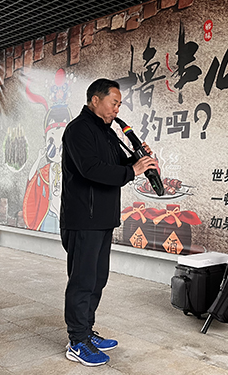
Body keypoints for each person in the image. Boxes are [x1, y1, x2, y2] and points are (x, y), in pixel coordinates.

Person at [60, 78, 157, 366]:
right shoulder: (78, 130)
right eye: (113, 102)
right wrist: (132, 170)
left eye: (119, 104)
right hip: (83, 219)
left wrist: (139, 161)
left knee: (97, 279)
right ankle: (77, 341)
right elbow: (90, 169)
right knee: (82, 281)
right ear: (95, 100)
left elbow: (118, 167)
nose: (117, 109)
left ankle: (87, 332)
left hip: (103, 218)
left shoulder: (108, 132)